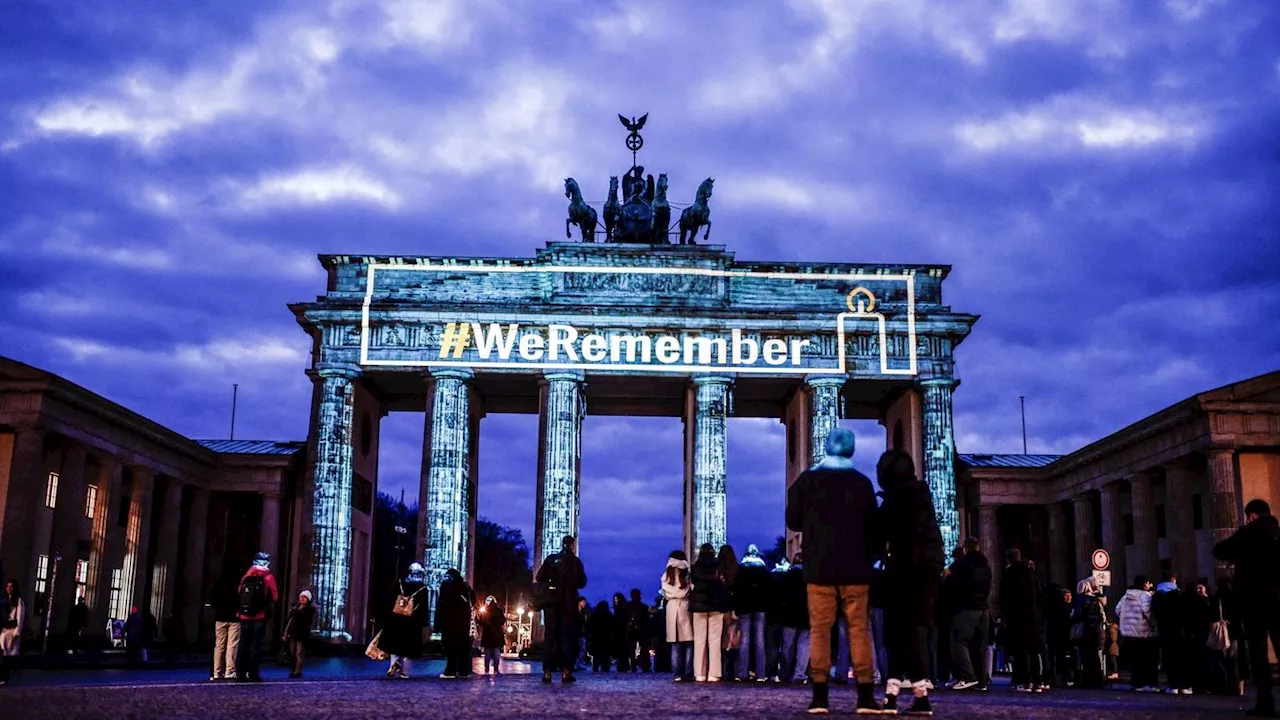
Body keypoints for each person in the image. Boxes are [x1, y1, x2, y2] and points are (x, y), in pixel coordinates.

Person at [785, 426, 882, 714]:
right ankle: (865, 696)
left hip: (819, 569)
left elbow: (794, 522)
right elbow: (874, 529)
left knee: (819, 631)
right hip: (856, 569)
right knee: (859, 631)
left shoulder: (807, 482)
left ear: (827, 447)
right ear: (851, 449)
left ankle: (819, 697)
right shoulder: (862, 483)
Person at [874, 449, 945, 715]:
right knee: (911, 632)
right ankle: (906, 693)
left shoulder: (897, 500)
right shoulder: (920, 497)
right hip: (924, 573)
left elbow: (877, 533)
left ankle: (909, 694)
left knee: (899, 632)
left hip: (904, 572)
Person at [1212, 498, 1280, 717]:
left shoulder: (1248, 533)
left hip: (1253, 602)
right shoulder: (1277, 534)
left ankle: (1266, 703)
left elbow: (1219, 550)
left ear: (1251, 515)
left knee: (1258, 655)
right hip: (1277, 600)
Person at [535, 535, 587, 684]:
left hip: (551, 603)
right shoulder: (575, 562)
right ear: (572, 545)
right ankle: (566, 672)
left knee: (549, 638)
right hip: (567, 604)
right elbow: (582, 582)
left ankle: (547, 672)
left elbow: (539, 577)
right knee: (567, 639)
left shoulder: (551, 559)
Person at [947, 537, 992, 692]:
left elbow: (952, 585)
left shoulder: (963, 564)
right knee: (980, 645)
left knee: (958, 641)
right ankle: (982, 680)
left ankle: (967, 677)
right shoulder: (986, 565)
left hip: (968, 607)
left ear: (965, 548)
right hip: (983, 608)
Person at [999, 548, 1043, 693]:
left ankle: (1024, 682)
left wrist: (1003, 615)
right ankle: (1037, 681)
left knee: (1020, 651)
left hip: (1016, 617)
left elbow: (1003, 597)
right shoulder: (1031, 573)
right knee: (1033, 650)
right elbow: (1040, 594)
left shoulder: (1008, 573)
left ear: (1008, 559)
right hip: (1032, 615)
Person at [690, 542, 731, 682]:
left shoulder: (694, 568)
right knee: (715, 640)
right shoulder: (719, 565)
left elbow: (695, 583)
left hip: (699, 606)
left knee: (699, 641)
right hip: (716, 604)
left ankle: (699, 673)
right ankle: (714, 673)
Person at [381, 563, 430, 679]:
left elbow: (389, 599)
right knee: (409, 647)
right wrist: (424, 623)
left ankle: (393, 664)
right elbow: (423, 608)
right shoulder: (423, 588)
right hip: (413, 621)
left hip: (397, 618)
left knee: (395, 644)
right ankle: (405, 672)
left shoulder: (399, 583)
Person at [235, 552, 278, 682]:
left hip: (244, 615)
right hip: (259, 615)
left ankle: (240, 672)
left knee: (243, 643)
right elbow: (275, 597)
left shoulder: (246, 576)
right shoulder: (268, 577)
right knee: (256, 644)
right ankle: (253, 673)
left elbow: (239, 593)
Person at [733, 544, 771, 682]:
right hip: (760, 607)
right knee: (760, 640)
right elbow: (770, 588)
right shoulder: (763, 569)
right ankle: (760, 673)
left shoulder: (742, 568)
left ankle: (743, 672)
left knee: (745, 640)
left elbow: (735, 588)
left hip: (745, 607)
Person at [1150, 572, 1191, 694]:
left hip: (1164, 630)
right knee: (1181, 659)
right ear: (1173, 580)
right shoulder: (1178, 594)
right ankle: (1183, 685)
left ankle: (1172, 685)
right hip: (1179, 631)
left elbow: (1154, 613)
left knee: (1169, 658)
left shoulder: (1157, 595)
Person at [1116, 576, 1158, 692]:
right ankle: (1145, 683)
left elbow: (1118, 610)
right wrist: (1154, 624)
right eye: (1149, 583)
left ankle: (1136, 683)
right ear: (1145, 584)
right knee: (1145, 660)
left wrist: (1127, 622)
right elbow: (1148, 612)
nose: (1150, 585)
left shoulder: (1125, 596)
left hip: (1129, 633)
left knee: (1135, 660)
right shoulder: (1145, 596)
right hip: (1143, 632)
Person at [778, 552, 811, 684]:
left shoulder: (787, 575)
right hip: (806, 615)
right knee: (804, 646)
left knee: (787, 645)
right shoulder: (809, 577)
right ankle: (799, 674)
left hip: (789, 615)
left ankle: (785, 673)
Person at [436, 568, 475, 679]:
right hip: (464, 622)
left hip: (449, 622)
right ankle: (464, 671)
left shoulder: (446, 586)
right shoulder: (466, 587)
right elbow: (473, 600)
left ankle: (450, 671)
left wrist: (438, 624)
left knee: (451, 648)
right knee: (463, 648)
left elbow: (441, 605)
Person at [662, 550, 694, 681]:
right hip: (685, 606)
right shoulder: (686, 573)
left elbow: (665, 592)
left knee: (675, 643)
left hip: (671, 607)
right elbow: (690, 589)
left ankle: (677, 674)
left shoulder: (666, 575)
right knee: (688, 642)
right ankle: (688, 672)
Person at [1072, 577, 1107, 689]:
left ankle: (1087, 680)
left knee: (1085, 656)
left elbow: (1077, 615)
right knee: (1094, 656)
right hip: (1095, 629)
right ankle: (1097, 680)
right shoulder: (1095, 600)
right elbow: (1100, 616)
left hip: (1084, 630)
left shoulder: (1080, 599)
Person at [209, 573, 241, 681]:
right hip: (234, 617)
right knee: (232, 645)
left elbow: (212, 598)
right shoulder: (237, 583)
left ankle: (217, 672)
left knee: (219, 646)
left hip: (220, 616)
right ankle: (229, 671)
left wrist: (218, 608)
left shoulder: (219, 583)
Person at [282, 590, 315, 678]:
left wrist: (295, 613)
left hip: (302, 634)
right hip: (293, 633)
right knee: (292, 652)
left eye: (305, 597)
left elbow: (305, 620)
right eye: (301, 597)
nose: (302, 599)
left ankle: (297, 671)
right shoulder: (296, 608)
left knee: (299, 653)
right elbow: (289, 621)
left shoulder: (309, 610)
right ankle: (293, 669)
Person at [0, 580, 24, 686]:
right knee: (3, 654)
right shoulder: (4, 600)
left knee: (7, 656)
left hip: (11, 631)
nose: (9, 588)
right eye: (7, 586)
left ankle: (4, 676)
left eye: (11, 587)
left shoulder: (18, 601)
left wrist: (16, 632)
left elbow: (20, 617)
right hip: (3, 630)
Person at [625, 589, 652, 672]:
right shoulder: (643, 607)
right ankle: (645, 666)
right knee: (643, 649)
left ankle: (633, 666)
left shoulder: (627, 606)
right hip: (642, 630)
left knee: (631, 649)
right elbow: (647, 620)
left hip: (631, 630)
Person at [480, 596, 505, 675]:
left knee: (487, 653)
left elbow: (481, 622)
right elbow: (503, 621)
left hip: (487, 634)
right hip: (497, 634)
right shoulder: (499, 611)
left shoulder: (485, 611)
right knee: (496, 652)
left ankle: (487, 669)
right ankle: (496, 669)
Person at [587, 601, 614, 672]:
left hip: (597, 638)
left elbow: (589, 626)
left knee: (597, 655)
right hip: (605, 638)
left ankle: (596, 668)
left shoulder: (594, 615)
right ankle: (605, 668)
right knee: (605, 655)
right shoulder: (608, 615)